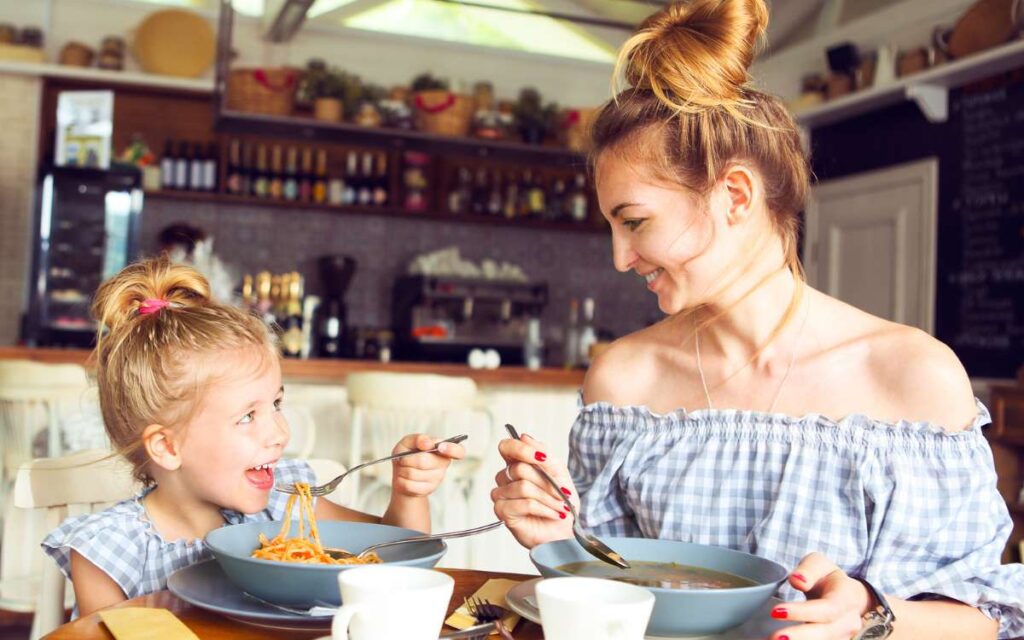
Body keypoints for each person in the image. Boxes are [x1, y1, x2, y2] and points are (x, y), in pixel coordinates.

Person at [490, 1, 1024, 638]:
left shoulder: (914, 377)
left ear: (735, 195)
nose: (620, 257)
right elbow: (610, 595)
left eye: (634, 222)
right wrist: (558, 538)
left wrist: (870, 617)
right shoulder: (623, 381)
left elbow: (985, 620)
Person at [42, 257, 464, 616]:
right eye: (247, 416)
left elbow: (396, 556)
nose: (280, 433)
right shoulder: (109, 553)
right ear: (168, 447)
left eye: (276, 405)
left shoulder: (285, 506)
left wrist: (408, 494)